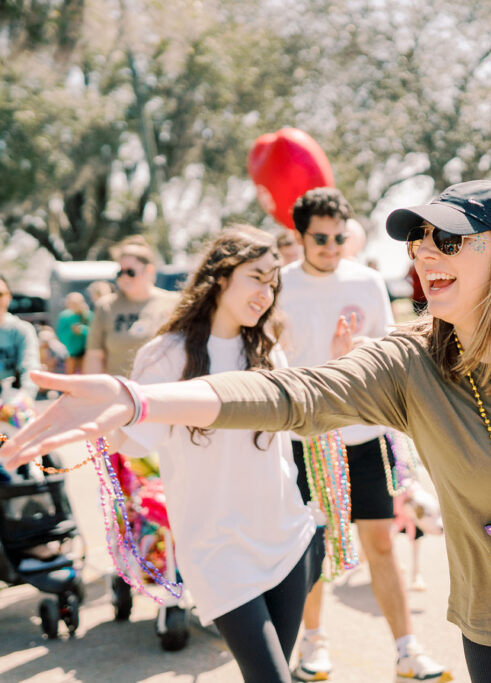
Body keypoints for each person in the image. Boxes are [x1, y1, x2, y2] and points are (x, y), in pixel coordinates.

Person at [2, 180, 491, 683]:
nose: (424, 253)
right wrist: (138, 397)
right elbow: (296, 392)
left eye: (448, 239)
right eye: (419, 240)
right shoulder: (411, 359)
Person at [111, 227, 321, 680]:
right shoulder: (166, 355)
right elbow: (130, 443)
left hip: (285, 540)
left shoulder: (267, 351)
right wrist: (108, 413)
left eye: (273, 282)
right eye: (256, 277)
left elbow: (296, 437)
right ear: (221, 276)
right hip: (218, 550)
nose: (266, 293)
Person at [279, 187, 448, 682]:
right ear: (300, 235)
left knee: (379, 543)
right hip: (305, 437)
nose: (331, 247)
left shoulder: (369, 281)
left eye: (338, 236)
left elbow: (389, 350)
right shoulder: (278, 285)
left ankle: (406, 650)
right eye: (320, 238)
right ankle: (313, 642)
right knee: (312, 546)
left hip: (364, 434)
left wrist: (356, 350)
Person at [83, 236, 178, 376]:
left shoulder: (174, 302)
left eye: (130, 272)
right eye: (120, 272)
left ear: (149, 270)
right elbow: (94, 356)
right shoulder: (106, 306)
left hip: (161, 392)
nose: (124, 277)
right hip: (120, 393)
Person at [0, 274, 40, 398]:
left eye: (0, 294)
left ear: (9, 297)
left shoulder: (21, 330)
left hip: (11, 402)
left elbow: (30, 367)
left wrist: (24, 398)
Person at [56, 292, 92, 374]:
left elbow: (94, 333)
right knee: (70, 373)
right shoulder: (65, 316)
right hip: (70, 351)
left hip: (85, 350)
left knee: (85, 373)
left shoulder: (88, 315)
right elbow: (61, 334)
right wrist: (72, 332)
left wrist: (82, 330)